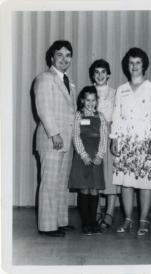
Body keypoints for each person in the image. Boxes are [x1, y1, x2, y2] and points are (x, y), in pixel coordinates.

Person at [110, 47, 151, 236]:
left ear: (144, 65)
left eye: (138, 62)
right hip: (126, 143)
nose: (134, 66)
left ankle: (143, 220)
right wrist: (114, 138)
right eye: (131, 63)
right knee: (126, 183)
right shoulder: (121, 90)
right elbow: (116, 115)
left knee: (145, 183)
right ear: (127, 65)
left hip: (146, 142)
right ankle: (128, 219)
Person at [34, 40, 77, 237]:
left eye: (68, 55)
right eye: (59, 55)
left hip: (66, 141)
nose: (64, 59)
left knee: (60, 184)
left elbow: (71, 113)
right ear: (52, 57)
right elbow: (44, 108)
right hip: (52, 139)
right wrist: (55, 133)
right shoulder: (45, 78)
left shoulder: (70, 83)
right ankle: (47, 226)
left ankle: (59, 221)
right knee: (49, 183)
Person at [69, 86, 107, 235]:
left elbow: (104, 136)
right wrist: (83, 155)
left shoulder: (101, 117)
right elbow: (76, 136)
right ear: (82, 100)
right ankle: (85, 223)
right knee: (84, 188)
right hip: (82, 157)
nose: (90, 103)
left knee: (94, 189)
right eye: (87, 100)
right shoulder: (79, 115)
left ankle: (93, 222)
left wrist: (100, 154)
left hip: (96, 156)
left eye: (93, 100)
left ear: (96, 101)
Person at [89, 59, 120, 229]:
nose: (100, 75)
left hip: (110, 135)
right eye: (97, 72)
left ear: (108, 74)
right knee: (94, 175)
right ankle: (96, 212)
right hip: (92, 137)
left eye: (103, 72)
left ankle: (109, 212)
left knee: (110, 175)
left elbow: (118, 118)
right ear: (92, 75)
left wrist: (114, 138)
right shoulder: (88, 93)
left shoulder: (116, 93)